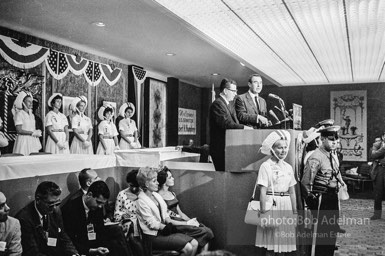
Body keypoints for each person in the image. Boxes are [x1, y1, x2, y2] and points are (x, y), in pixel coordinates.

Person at [301, 126, 346, 256]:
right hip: (321, 199)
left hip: (332, 197)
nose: (334, 142)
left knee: (331, 233)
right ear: (322, 139)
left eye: (336, 139)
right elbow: (305, 182)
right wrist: (311, 201)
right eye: (331, 139)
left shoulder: (331, 155)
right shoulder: (316, 157)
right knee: (320, 235)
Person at [136, 167, 199, 256]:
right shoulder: (141, 201)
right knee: (188, 247)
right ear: (146, 184)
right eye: (154, 181)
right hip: (152, 237)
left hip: (163, 232)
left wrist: (169, 224)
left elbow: (165, 215)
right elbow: (152, 223)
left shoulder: (156, 196)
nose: (158, 183)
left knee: (195, 243)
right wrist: (165, 227)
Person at [254, 130, 297, 255]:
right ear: (272, 149)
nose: (283, 151)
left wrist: (294, 213)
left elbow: (292, 191)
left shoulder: (288, 167)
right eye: (280, 148)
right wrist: (263, 214)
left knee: (283, 244)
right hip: (271, 206)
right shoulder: (266, 166)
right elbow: (262, 191)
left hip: (286, 206)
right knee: (271, 244)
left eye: (285, 147)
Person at [61, 180, 131, 256]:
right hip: (81, 245)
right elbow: (70, 240)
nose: (100, 206)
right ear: (89, 195)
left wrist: (103, 247)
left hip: (93, 239)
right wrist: (91, 250)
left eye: (102, 204)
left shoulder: (97, 207)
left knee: (117, 232)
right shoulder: (70, 209)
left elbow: (100, 229)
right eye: (98, 202)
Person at [157, 166, 214, 252]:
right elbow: (168, 220)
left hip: (181, 221)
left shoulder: (172, 193)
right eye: (170, 177)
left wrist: (191, 221)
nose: (173, 179)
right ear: (164, 181)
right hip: (175, 225)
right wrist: (187, 223)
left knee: (204, 229)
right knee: (207, 232)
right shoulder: (159, 197)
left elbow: (180, 213)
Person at [15, 181, 79, 256]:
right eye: (51, 204)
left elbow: (63, 236)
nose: (55, 207)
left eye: (57, 203)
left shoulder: (56, 211)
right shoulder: (24, 219)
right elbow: (32, 252)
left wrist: (74, 253)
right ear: (38, 199)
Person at [209, 78, 252, 171]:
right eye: (233, 91)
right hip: (220, 150)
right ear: (225, 91)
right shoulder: (218, 104)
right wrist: (244, 128)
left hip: (226, 148)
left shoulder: (226, 104)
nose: (235, 93)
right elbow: (226, 124)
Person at [114, 169, 145, 256]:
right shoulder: (122, 194)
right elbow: (116, 214)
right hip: (126, 224)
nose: (134, 188)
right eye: (131, 185)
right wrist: (122, 215)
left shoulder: (144, 195)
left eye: (136, 186)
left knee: (134, 233)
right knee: (131, 234)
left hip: (140, 225)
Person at [12, 91, 42, 155]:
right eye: (29, 101)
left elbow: (32, 128)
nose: (31, 103)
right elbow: (19, 130)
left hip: (32, 140)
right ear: (23, 102)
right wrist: (32, 133)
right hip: (23, 141)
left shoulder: (32, 115)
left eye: (32, 102)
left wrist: (36, 132)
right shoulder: (20, 114)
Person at [0, 191, 22, 256]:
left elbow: (16, 253)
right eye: (1, 206)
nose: (7, 208)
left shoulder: (13, 224)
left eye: (6, 203)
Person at [369, 131, 385, 220]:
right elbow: (373, 155)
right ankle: (377, 214)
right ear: (383, 137)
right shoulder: (377, 144)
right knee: (378, 193)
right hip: (379, 170)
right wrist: (383, 148)